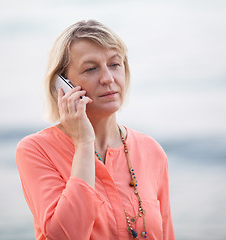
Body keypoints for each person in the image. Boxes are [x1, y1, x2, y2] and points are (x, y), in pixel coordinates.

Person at [16, 20, 175, 240]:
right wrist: (83, 144)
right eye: (91, 68)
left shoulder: (151, 151)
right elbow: (65, 235)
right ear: (61, 85)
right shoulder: (36, 150)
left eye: (115, 64)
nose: (108, 78)